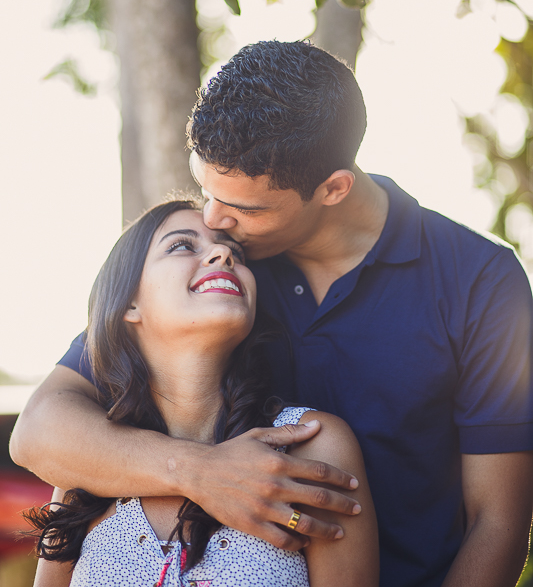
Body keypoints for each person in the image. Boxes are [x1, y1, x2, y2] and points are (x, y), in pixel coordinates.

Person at [11, 41, 533, 587]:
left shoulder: (479, 280)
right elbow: (39, 431)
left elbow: (496, 523)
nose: (214, 220)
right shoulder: (218, 279)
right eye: (205, 189)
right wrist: (202, 473)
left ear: (333, 189)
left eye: (243, 208)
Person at [25, 199, 379, 587]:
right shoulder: (86, 462)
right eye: (181, 245)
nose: (223, 254)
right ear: (129, 303)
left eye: (235, 252)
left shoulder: (312, 445)